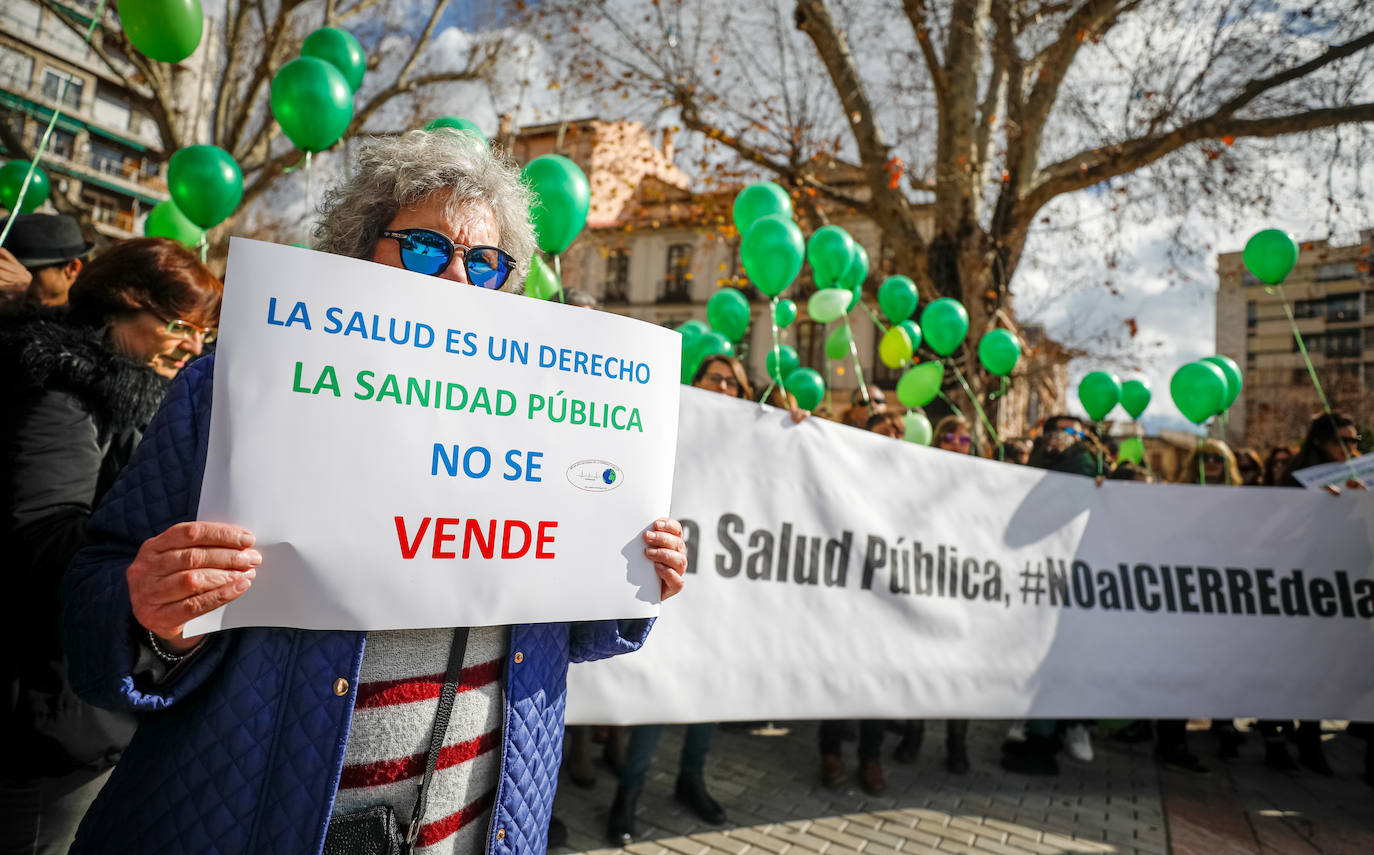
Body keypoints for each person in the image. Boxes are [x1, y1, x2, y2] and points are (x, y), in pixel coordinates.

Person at [59, 130, 689, 855]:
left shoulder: (549, 424)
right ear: (358, 250)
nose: (456, 278)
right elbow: (93, 599)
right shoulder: (230, 388)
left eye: (485, 263)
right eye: (424, 248)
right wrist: (148, 616)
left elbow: (558, 626)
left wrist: (627, 573)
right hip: (246, 822)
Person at [0, 237, 221, 854]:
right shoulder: (63, 397)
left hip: (90, 707)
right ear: (124, 305)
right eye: (180, 325)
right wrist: (162, 544)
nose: (195, 345)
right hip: (47, 718)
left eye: (204, 330)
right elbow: (41, 543)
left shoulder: (137, 397)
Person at [606, 356, 748, 846]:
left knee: (705, 690)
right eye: (716, 379)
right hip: (673, 576)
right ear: (696, 384)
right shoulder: (673, 421)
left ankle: (692, 779)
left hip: (728, 584)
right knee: (660, 694)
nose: (725, 387)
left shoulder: (751, 438)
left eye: (735, 382)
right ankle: (629, 793)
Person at [1258, 412, 1365, 775]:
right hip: (1296, 588)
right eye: (1343, 442)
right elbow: (1279, 530)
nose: (1351, 449)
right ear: (1321, 443)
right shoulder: (1296, 480)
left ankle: (1310, 736)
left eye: (1355, 442)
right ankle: (1276, 739)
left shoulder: (1360, 479)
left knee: (1320, 668)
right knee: (1287, 667)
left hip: (1336, 589)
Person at [890, 413, 972, 774]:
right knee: (921, 664)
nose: (956, 444)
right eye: (949, 437)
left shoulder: (983, 481)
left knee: (960, 672)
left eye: (964, 439)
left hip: (965, 589)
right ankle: (914, 734)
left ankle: (958, 744)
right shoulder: (915, 477)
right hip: (923, 582)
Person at [0, 214, 92, 312]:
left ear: (72, 268)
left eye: (29, 270)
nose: (9, 279)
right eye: (4, 268)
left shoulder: (94, 321)